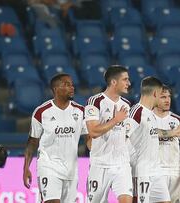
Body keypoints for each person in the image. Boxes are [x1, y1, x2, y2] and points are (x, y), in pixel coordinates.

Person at [23, 73, 88, 202]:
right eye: (67, 84)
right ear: (55, 89)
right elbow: (32, 143)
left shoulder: (80, 111)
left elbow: (89, 139)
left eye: (72, 85)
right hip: (48, 166)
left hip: (71, 170)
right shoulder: (42, 112)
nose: (72, 87)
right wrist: (26, 168)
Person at [85, 65, 133, 203]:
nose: (129, 83)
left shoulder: (127, 104)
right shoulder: (95, 102)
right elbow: (93, 132)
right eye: (125, 79)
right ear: (113, 82)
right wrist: (116, 120)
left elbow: (126, 134)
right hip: (100, 165)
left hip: (121, 165)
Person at [127, 77, 174, 203]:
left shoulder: (151, 114)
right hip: (141, 172)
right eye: (160, 95)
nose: (163, 99)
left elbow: (151, 134)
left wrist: (171, 132)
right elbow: (122, 136)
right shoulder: (136, 112)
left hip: (156, 171)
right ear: (154, 93)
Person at [153, 85, 180, 203]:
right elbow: (150, 133)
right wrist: (172, 132)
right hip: (156, 171)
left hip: (175, 172)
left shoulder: (177, 120)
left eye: (169, 97)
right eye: (163, 97)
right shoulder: (146, 118)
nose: (168, 100)